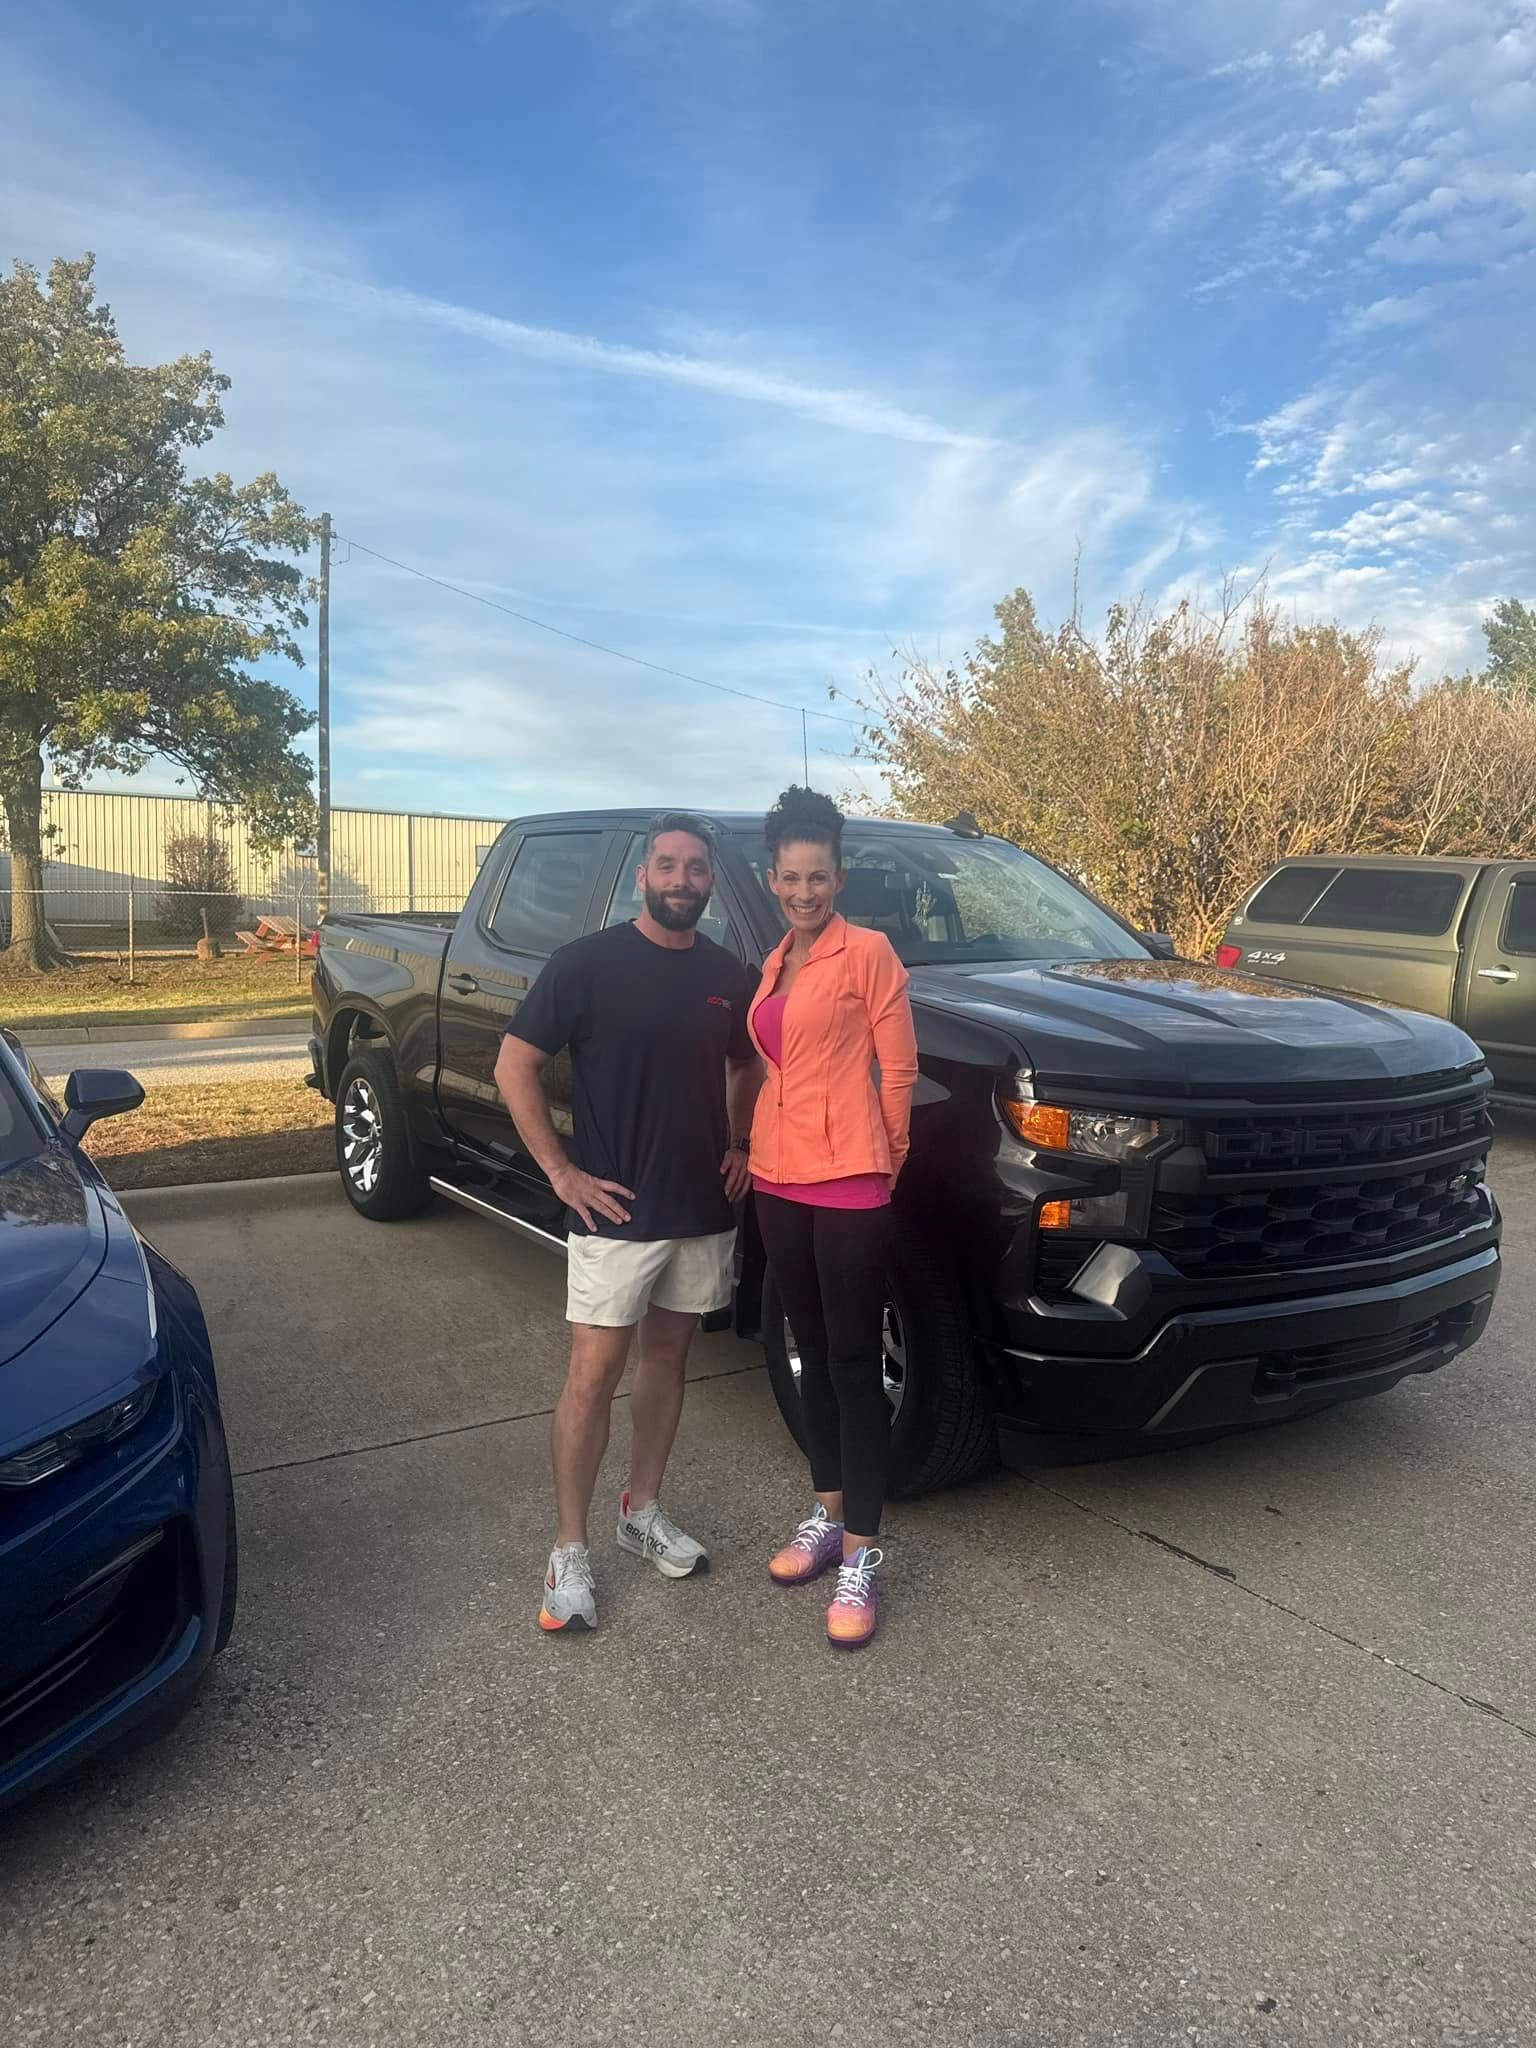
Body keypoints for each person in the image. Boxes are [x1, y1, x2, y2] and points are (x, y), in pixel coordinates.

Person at [495, 813, 761, 1634]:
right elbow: (515, 1064)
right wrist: (561, 1172)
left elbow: (747, 1059)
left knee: (670, 1359)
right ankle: (569, 1548)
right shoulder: (587, 964)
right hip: (616, 1212)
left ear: (712, 883)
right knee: (593, 1374)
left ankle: (640, 1508)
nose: (682, 880)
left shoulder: (727, 974)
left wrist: (743, 1140)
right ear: (642, 876)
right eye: (668, 865)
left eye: (696, 869)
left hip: (703, 1208)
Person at [747, 787, 918, 1648]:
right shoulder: (776, 959)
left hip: (849, 1179)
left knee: (853, 1363)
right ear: (773, 878)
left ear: (839, 877)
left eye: (819, 876)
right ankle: (824, 1514)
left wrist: (884, 1158)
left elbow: (899, 1069)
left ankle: (861, 1555)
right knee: (809, 1353)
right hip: (778, 1179)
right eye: (790, 876)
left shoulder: (870, 954)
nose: (805, 891)